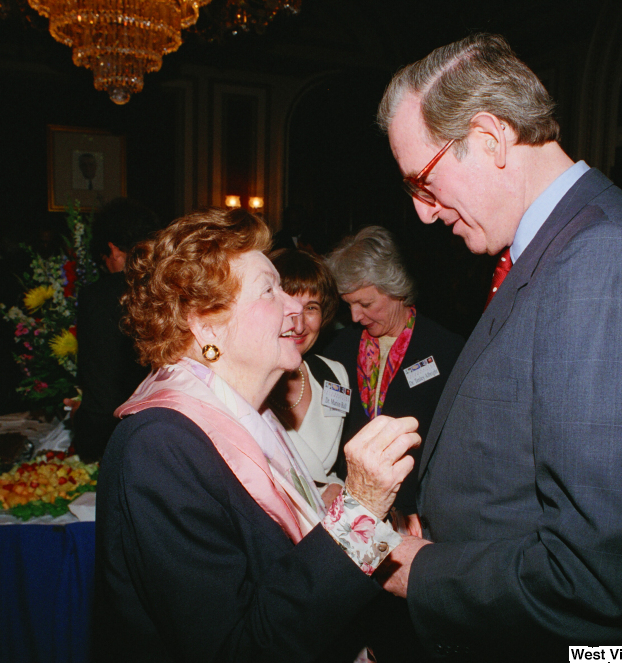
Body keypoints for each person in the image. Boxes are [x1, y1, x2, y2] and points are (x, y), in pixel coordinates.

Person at [376, 33, 622, 657]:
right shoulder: (560, 248)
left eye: (423, 181)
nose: (423, 213)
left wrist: (422, 568)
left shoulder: (605, 264)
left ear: (493, 137)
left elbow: (607, 581)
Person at [93, 208, 422, 662]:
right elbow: (240, 649)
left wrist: (387, 541)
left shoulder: (249, 417)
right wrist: (359, 510)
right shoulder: (160, 446)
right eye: (270, 290)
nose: (295, 309)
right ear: (206, 325)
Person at [323, 226, 463, 518]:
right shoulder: (337, 349)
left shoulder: (446, 350)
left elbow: (454, 449)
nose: (355, 316)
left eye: (366, 303)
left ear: (396, 288)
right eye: (348, 305)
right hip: (353, 504)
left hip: (419, 512)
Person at [73, 198, 161, 462]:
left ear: (112, 249)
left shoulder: (97, 296)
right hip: (161, 424)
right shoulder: (165, 289)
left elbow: (97, 375)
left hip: (111, 431)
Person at [266, 248, 349, 495]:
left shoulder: (334, 375)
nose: (300, 325)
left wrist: (335, 486)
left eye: (311, 308)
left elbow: (325, 472)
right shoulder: (244, 385)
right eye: (288, 306)